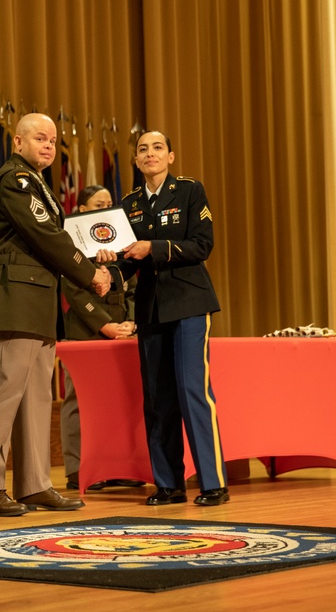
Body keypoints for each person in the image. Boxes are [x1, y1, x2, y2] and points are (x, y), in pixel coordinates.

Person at [0, 113, 112, 517]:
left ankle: (34, 485)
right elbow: (45, 235)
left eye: (53, 140)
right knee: (3, 395)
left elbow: (54, 237)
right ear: (18, 142)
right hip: (14, 299)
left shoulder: (38, 184)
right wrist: (89, 274)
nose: (48, 146)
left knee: (36, 397)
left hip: (36, 301)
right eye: (39, 138)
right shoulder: (15, 180)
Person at [111, 130, 229, 506]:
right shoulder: (128, 204)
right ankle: (169, 484)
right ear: (135, 161)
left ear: (171, 156)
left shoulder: (191, 191)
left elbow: (202, 245)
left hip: (190, 304)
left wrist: (154, 248)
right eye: (142, 150)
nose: (150, 154)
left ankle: (213, 483)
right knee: (158, 399)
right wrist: (105, 273)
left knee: (193, 391)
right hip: (149, 309)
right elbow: (127, 260)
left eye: (157, 148)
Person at [60, 184, 139, 491]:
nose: (105, 208)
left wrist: (130, 322)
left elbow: (131, 284)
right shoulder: (71, 243)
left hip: (121, 332)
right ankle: (77, 470)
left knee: (117, 402)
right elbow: (74, 292)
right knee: (80, 401)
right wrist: (105, 325)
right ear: (82, 210)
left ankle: (116, 466)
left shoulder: (119, 239)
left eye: (109, 203)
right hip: (86, 332)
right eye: (98, 203)